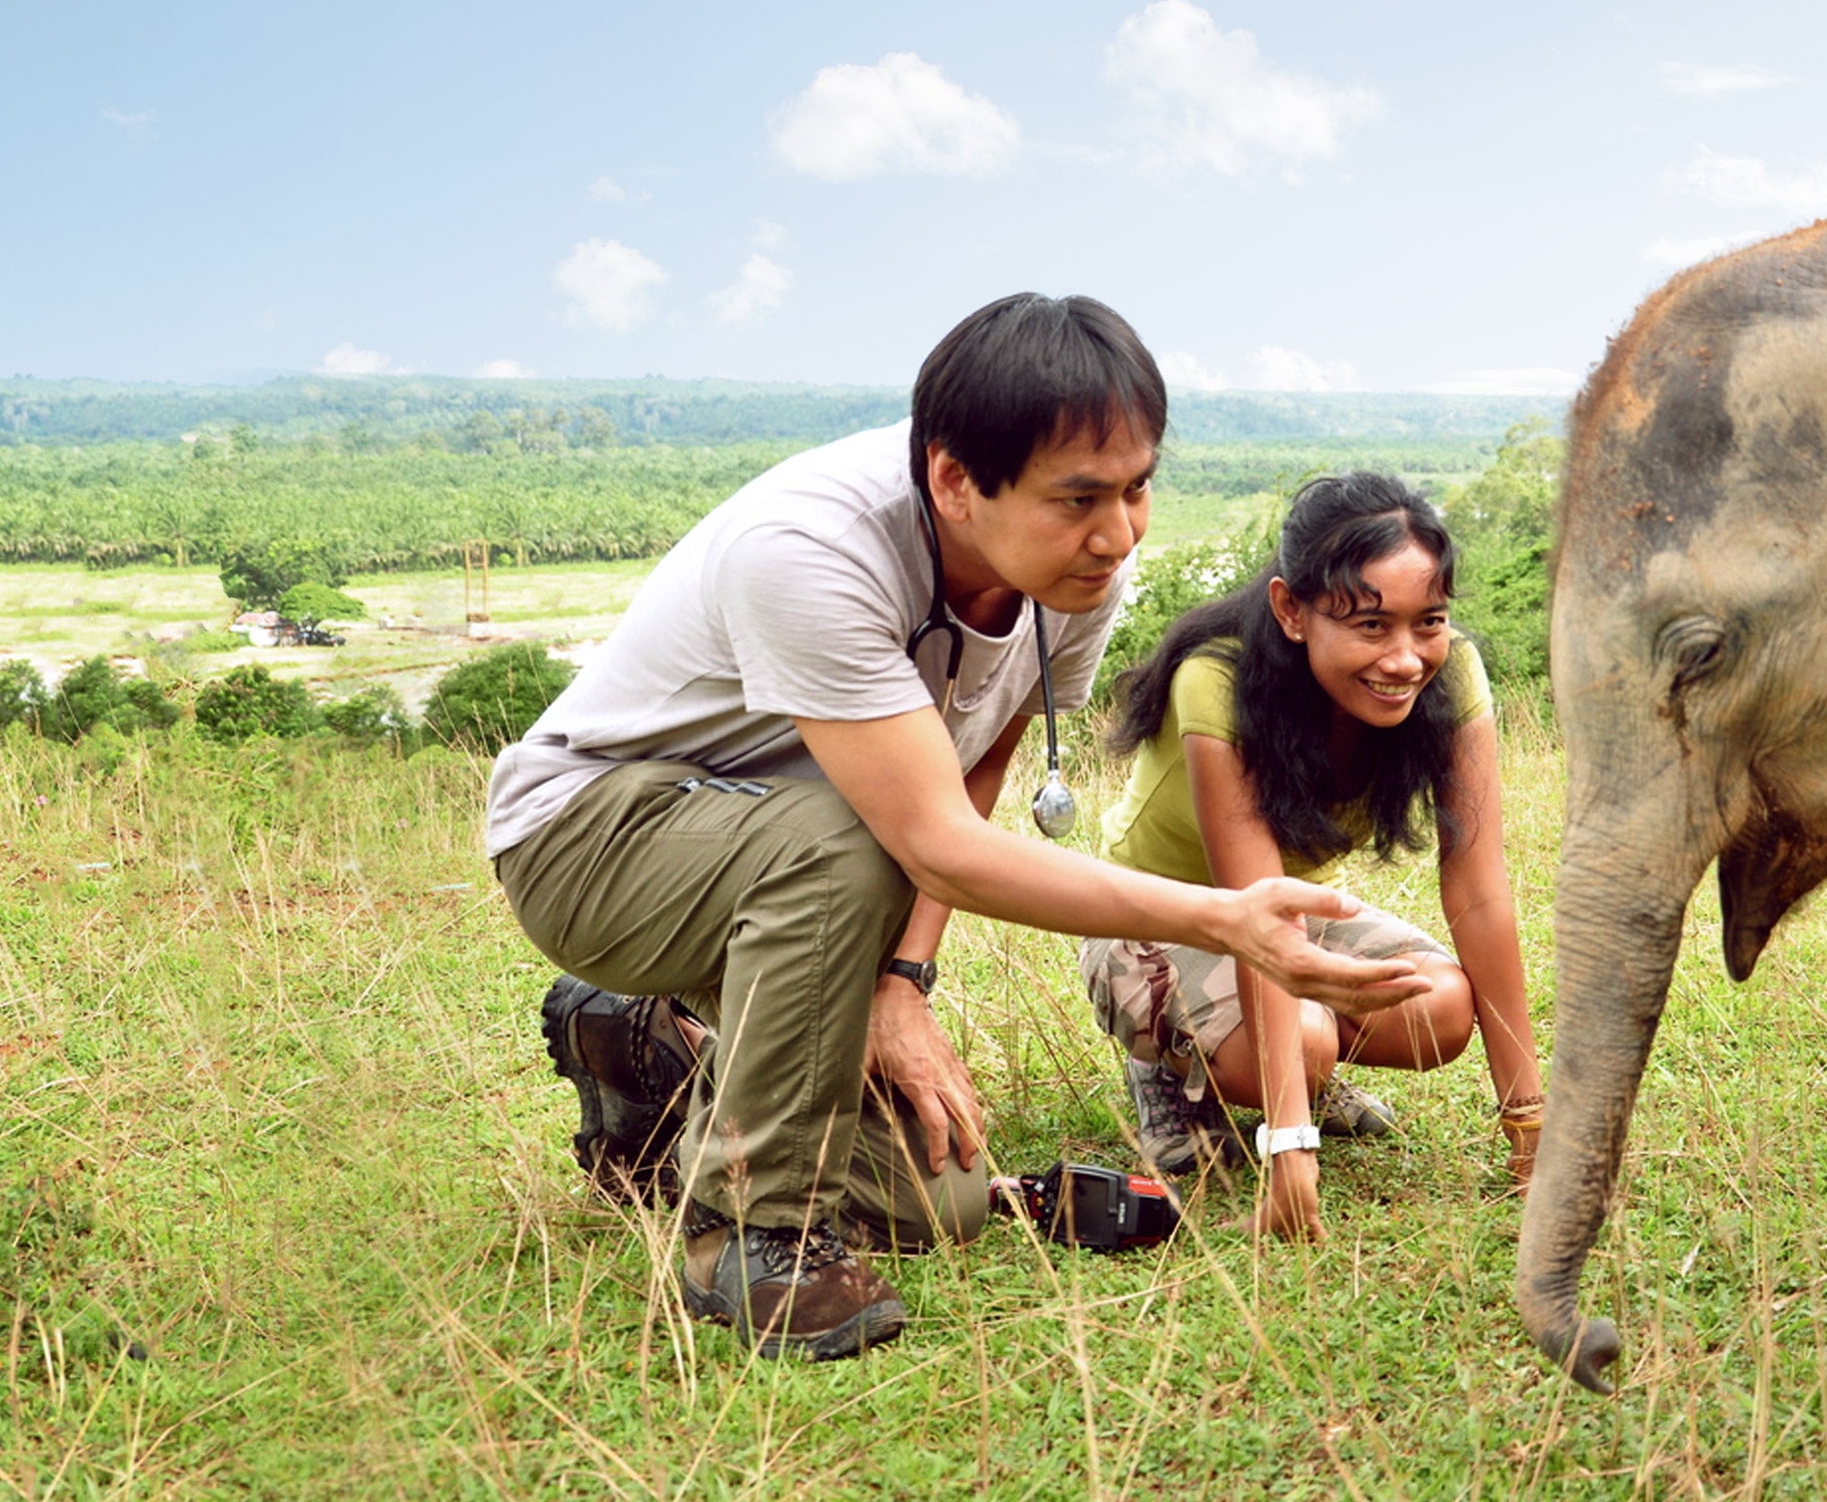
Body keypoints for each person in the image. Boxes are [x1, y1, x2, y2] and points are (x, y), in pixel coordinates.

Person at [491, 294, 1438, 1362]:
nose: (1118, 534)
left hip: (784, 867)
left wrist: (902, 982)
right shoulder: (808, 551)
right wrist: (1224, 920)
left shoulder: (1070, 572)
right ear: (952, 478)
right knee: (844, 843)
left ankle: (652, 1057)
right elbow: (931, 840)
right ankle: (747, 1234)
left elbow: (974, 762)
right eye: (1078, 498)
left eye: (1136, 488)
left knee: (933, 1198)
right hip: (592, 840)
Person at [1086, 473, 1545, 1241]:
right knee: (1303, 1038)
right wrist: (1291, 1149)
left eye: (1428, 622)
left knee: (1440, 1008)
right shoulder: (1218, 680)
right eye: (1371, 625)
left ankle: (1299, 1064)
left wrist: (1530, 1122)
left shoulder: (1453, 673)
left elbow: (1478, 890)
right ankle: (1174, 1073)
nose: (1405, 659)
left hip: (1289, 911)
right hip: (1155, 923)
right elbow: (1254, 911)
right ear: (1291, 611)